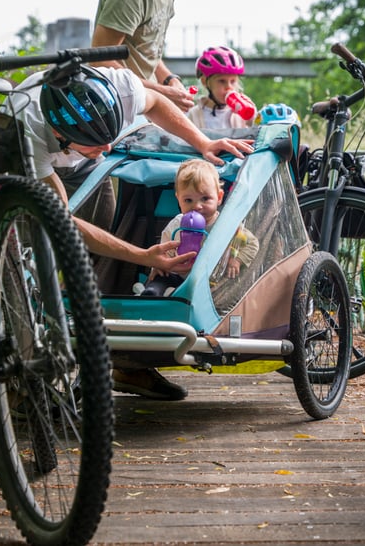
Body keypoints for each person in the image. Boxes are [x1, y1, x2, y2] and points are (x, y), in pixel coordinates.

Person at [15, 63, 253, 401]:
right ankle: (21, 385)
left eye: (109, 138)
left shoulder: (119, 88)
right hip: (33, 167)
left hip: (83, 161)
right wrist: (143, 256)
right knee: (29, 261)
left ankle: (126, 363)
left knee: (104, 257)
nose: (108, 148)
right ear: (59, 133)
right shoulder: (30, 130)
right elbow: (61, 218)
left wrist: (202, 142)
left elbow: (155, 103)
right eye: (97, 142)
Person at [140, 159, 259, 297]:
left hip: (210, 281)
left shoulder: (227, 224)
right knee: (159, 278)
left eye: (205, 199)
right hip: (179, 275)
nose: (196, 206)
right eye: (188, 200)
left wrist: (236, 260)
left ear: (219, 197)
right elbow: (164, 250)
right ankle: (153, 295)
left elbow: (252, 243)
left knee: (226, 288)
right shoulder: (176, 224)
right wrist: (159, 265)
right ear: (178, 199)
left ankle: (177, 295)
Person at [187, 45, 257, 130]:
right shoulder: (193, 115)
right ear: (204, 82)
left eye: (233, 81)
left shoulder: (240, 114)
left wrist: (252, 118)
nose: (229, 87)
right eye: (222, 81)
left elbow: (260, 132)